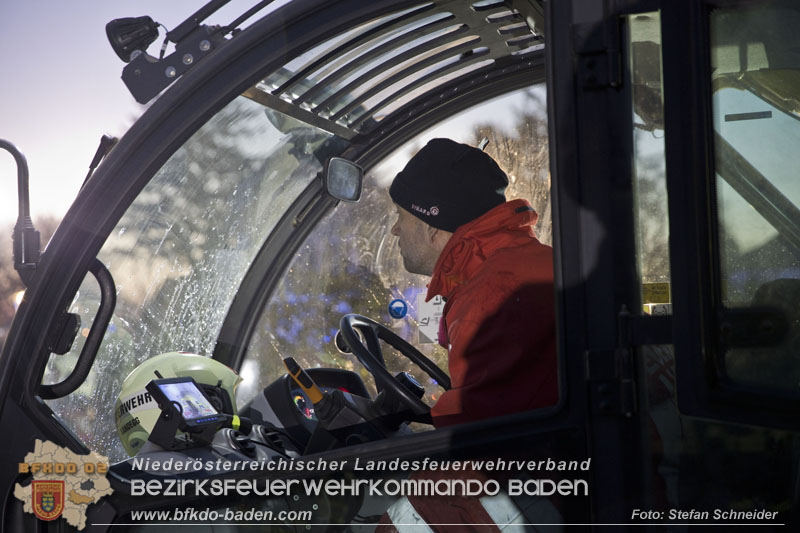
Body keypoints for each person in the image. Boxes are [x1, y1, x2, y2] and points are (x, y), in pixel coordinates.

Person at [389, 137, 558, 427]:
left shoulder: (489, 296)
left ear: (431, 225)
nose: (394, 230)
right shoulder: (520, 264)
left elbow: (474, 448)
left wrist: (394, 469)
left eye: (400, 216)